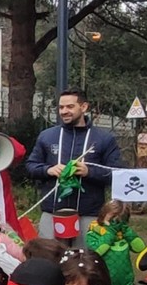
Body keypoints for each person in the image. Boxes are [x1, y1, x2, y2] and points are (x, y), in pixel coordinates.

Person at [26, 89, 124, 246]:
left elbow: (117, 173)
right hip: (53, 213)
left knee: (84, 263)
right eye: (61, 108)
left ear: (84, 107)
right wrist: (48, 170)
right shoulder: (47, 136)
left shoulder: (104, 138)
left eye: (70, 107)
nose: (64, 111)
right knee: (49, 261)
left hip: (88, 214)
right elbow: (31, 166)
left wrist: (89, 172)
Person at [85, 200, 147, 285]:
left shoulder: (123, 233)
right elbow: (97, 252)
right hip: (103, 278)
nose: (116, 223)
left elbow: (139, 248)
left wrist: (127, 232)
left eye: (120, 220)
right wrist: (110, 234)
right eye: (112, 219)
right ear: (104, 215)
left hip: (125, 278)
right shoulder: (94, 231)